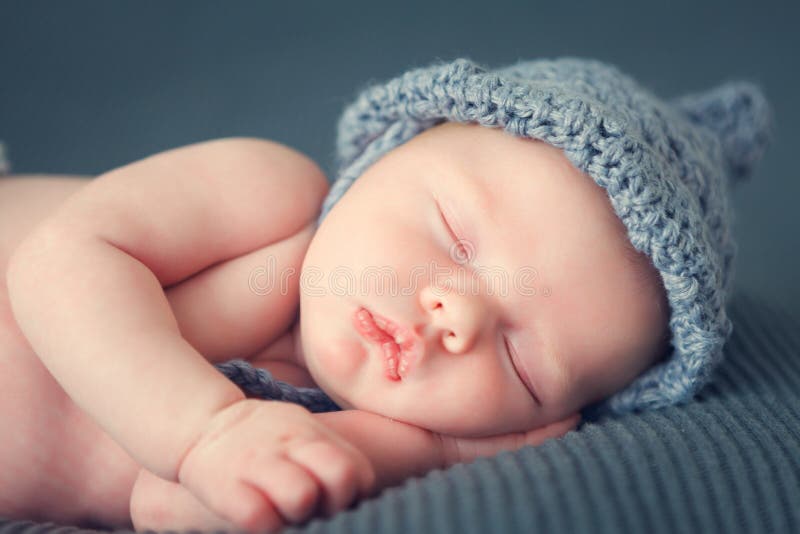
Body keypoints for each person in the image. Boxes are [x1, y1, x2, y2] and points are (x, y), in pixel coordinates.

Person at [0, 57, 771, 532]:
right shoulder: (268, 202)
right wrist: (205, 431)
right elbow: (54, 264)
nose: (458, 317)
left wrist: (438, 451)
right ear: (379, 158)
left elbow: (163, 506)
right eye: (455, 238)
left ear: (543, 421)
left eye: (521, 363)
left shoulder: (344, 431)